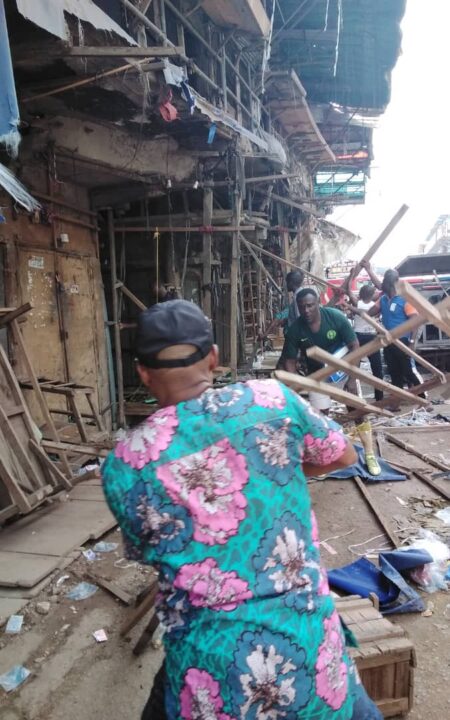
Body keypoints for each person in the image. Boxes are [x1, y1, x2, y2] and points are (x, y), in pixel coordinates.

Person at [101, 299, 382, 720]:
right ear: (214, 358)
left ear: (142, 372)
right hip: (309, 649)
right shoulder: (272, 401)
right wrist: (273, 469)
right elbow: (343, 455)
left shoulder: (124, 465)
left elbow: (148, 550)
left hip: (211, 672)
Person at [282, 289, 359, 412]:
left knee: (355, 409)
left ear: (318, 302)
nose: (306, 310)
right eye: (302, 307)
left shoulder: (335, 317)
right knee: (320, 414)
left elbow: (354, 346)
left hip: (343, 371)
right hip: (317, 375)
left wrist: (353, 378)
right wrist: (294, 385)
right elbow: (290, 361)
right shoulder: (295, 330)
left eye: (310, 305)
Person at [369, 268, 424, 395]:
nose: (383, 286)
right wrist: (355, 308)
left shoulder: (404, 299)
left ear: (392, 284)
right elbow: (370, 312)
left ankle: (422, 397)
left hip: (402, 341)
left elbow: (415, 321)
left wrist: (411, 343)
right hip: (388, 341)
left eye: (386, 283)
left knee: (407, 371)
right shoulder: (383, 299)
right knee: (394, 372)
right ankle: (397, 400)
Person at [345, 263, 384, 402]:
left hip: (357, 337)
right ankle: (379, 398)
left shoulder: (357, 303)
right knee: (377, 369)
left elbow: (348, 289)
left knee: (355, 368)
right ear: (371, 295)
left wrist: (351, 276)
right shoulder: (376, 306)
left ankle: (354, 397)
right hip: (372, 338)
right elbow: (381, 291)